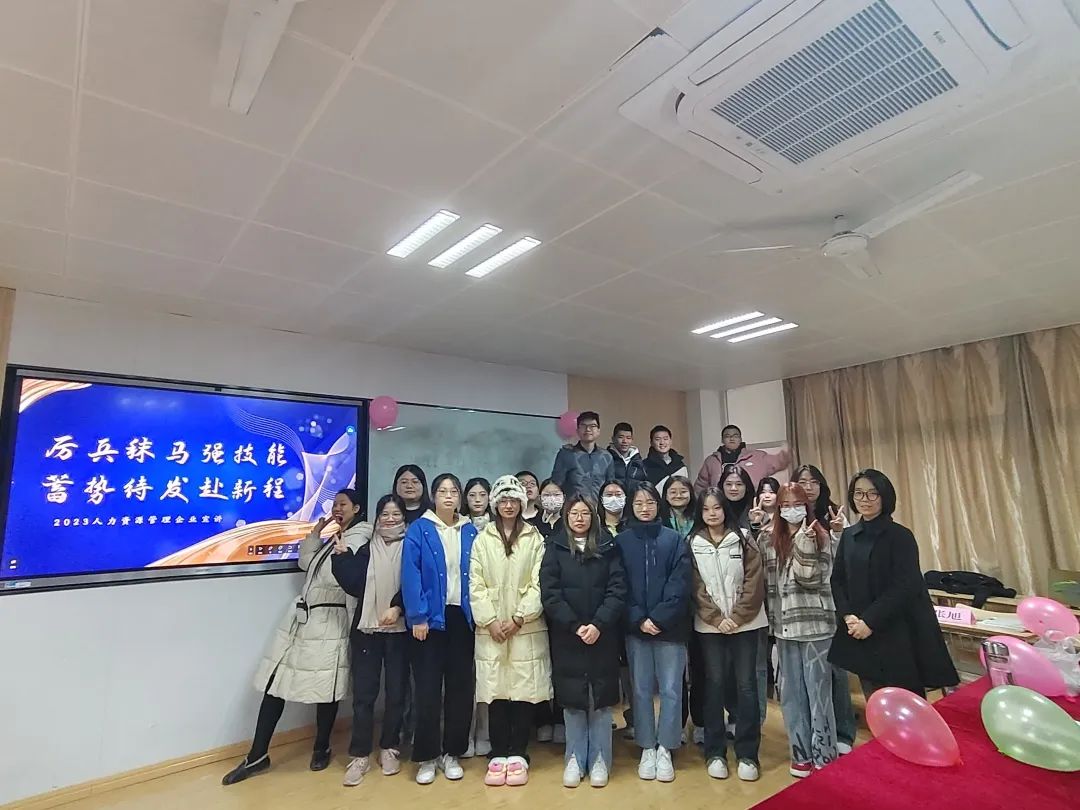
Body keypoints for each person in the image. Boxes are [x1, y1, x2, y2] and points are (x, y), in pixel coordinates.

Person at [222, 490, 360, 785]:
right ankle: (257, 754)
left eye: (343, 505)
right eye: (335, 504)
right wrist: (315, 535)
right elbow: (307, 564)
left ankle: (321, 747)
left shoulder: (358, 537)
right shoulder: (335, 536)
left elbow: (343, 578)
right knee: (276, 682)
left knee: (326, 687)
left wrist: (341, 554)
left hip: (330, 619)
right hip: (304, 620)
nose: (337, 509)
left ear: (357, 508)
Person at [829, 469, 959, 699]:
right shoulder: (849, 536)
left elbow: (905, 586)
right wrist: (848, 615)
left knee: (905, 700)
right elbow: (837, 579)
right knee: (874, 700)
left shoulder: (900, 536)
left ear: (884, 497)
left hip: (895, 632)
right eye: (859, 493)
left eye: (872, 493)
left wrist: (870, 621)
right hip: (859, 631)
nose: (865, 499)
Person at [541, 494, 628, 789]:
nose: (580, 518)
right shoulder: (555, 547)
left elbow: (617, 589)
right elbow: (550, 592)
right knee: (573, 700)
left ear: (594, 516)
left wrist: (598, 624)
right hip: (568, 635)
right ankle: (575, 758)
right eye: (574, 513)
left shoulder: (607, 546)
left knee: (600, 699)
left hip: (603, 634)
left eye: (585, 513)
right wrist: (576, 625)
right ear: (566, 517)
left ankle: (601, 758)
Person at [469, 476, 552, 787]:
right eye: (503, 500)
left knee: (523, 692)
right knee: (496, 692)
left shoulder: (534, 537)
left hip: (525, 627)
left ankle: (518, 752)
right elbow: (475, 584)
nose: (508, 505)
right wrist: (490, 620)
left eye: (513, 500)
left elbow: (540, 582)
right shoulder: (482, 539)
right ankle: (498, 752)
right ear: (495, 504)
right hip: (491, 629)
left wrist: (519, 617)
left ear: (521, 503)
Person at [401, 473, 478, 785]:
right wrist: (417, 616)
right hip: (429, 621)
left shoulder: (470, 530)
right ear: (433, 496)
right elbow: (410, 574)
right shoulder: (420, 529)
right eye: (442, 491)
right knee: (428, 690)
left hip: (463, 619)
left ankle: (452, 753)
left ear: (459, 497)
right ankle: (427, 756)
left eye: (453, 491)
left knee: (461, 689)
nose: (448, 496)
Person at [688, 488, 767, 782]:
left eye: (717, 508)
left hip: (745, 623)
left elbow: (755, 580)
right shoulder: (692, 542)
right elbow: (695, 586)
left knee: (746, 686)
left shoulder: (744, 538)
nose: (712, 514)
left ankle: (748, 753)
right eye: (706, 509)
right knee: (714, 684)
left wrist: (736, 617)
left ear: (725, 510)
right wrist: (716, 618)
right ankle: (715, 752)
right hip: (710, 626)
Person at [331, 494, 409, 786]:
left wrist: (397, 607)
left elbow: (414, 584)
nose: (390, 519)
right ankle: (360, 754)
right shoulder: (366, 549)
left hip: (401, 630)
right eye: (385, 514)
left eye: (396, 514)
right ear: (377, 518)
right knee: (364, 696)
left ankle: (390, 747)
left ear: (404, 517)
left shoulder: (412, 546)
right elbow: (354, 586)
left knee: (396, 693)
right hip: (367, 631)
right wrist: (341, 559)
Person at [761, 482, 838, 778]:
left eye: (797, 504)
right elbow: (764, 579)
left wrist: (806, 544)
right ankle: (801, 753)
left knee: (819, 694)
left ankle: (825, 753)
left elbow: (811, 578)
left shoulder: (820, 535)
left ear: (806, 506)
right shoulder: (769, 538)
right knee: (791, 693)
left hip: (815, 625)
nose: (791, 510)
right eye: (785, 505)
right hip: (783, 626)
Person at [616, 482, 691, 783]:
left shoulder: (674, 540)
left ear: (658, 505)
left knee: (672, 689)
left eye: (650, 502)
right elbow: (618, 585)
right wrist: (638, 619)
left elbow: (680, 583)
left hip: (670, 628)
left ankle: (666, 747)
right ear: (631, 507)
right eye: (638, 503)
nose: (644, 508)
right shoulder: (621, 542)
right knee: (641, 689)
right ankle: (647, 745)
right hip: (636, 629)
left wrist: (658, 618)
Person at [794, 464, 857, 755]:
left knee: (835, 670)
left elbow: (845, 560)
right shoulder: (790, 516)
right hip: (800, 608)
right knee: (806, 677)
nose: (808, 487)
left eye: (813, 482)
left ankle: (843, 731)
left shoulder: (834, 515)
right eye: (802, 481)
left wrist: (838, 532)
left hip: (832, 603)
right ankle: (815, 732)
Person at [695, 425, 791, 491]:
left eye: (735, 436)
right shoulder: (711, 461)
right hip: (722, 505)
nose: (731, 439)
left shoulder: (757, 456)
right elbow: (700, 486)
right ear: (722, 440)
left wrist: (786, 453)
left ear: (740, 439)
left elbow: (779, 462)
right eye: (727, 436)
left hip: (751, 503)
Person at [551, 411, 614, 501]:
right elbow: (556, 484)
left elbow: (611, 487)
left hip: (599, 507)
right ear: (577, 430)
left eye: (592, 426)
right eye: (583, 426)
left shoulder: (607, 457)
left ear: (598, 431)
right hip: (573, 507)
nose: (588, 429)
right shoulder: (566, 454)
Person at [643, 425, 689, 491]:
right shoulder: (645, 466)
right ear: (651, 443)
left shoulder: (680, 465)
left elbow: (686, 489)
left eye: (665, 439)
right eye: (657, 439)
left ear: (670, 441)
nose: (662, 442)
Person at [608, 422, 648, 489]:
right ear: (613, 439)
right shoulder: (606, 459)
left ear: (632, 440)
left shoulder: (638, 461)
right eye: (621, 437)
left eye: (628, 438)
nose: (625, 441)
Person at [719, 464, 756, 531]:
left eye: (739, 484)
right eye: (728, 484)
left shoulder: (756, 509)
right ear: (722, 486)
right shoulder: (715, 509)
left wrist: (755, 524)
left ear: (747, 487)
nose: (733, 488)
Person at [660, 475, 696, 540]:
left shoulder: (700, 515)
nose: (678, 496)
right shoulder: (659, 517)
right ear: (666, 496)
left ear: (691, 494)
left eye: (683, 492)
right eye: (673, 492)